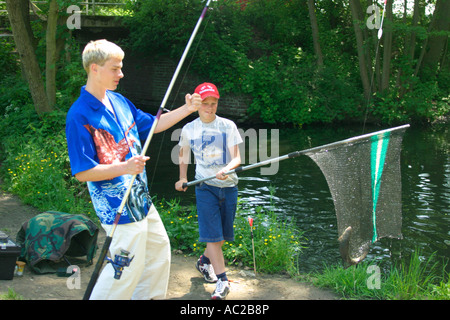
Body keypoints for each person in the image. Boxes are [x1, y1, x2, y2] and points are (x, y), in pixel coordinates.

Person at [65, 39, 202, 300]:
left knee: (158, 251)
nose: (121, 73)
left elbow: (153, 125)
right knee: (123, 267)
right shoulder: (79, 115)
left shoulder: (118, 101)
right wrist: (125, 167)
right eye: (115, 68)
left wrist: (189, 108)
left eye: (121, 67)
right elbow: (83, 172)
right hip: (117, 207)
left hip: (140, 199)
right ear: (94, 68)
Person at [175, 83, 242, 300]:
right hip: (205, 187)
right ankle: (222, 280)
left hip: (229, 186)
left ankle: (204, 262)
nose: (210, 108)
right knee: (213, 237)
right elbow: (183, 155)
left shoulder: (228, 126)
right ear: (197, 104)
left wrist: (227, 169)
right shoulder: (189, 129)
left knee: (221, 237)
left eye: (213, 104)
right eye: (205, 104)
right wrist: (183, 177)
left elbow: (237, 158)